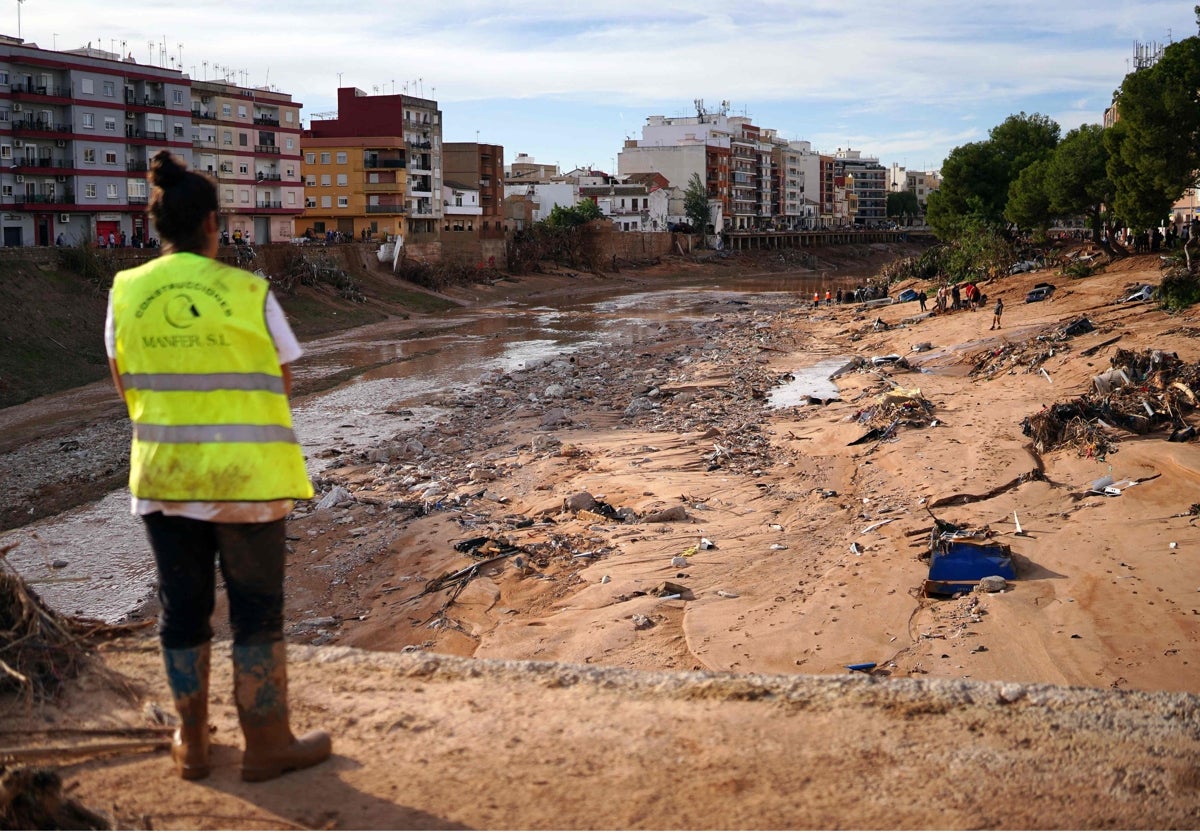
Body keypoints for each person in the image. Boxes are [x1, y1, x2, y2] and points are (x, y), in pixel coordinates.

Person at [105, 150, 330, 783]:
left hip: (165, 476)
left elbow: (125, 383)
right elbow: (280, 381)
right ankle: (265, 744)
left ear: (158, 227)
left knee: (182, 609)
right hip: (247, 481)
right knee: (257, 611)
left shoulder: (126, 292)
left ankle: (193, 742)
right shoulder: (247, 291)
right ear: (213, 224)